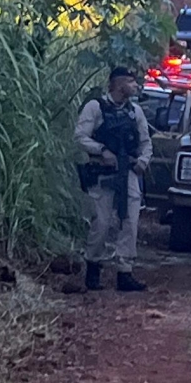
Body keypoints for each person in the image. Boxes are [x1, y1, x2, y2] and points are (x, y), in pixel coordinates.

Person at [74, 67, 153, 292]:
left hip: (127, 172)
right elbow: (80, 136)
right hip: (102, 172)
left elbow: (146, 143)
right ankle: (93, 266)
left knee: (130, 221)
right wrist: (102, 151)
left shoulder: (135, 112)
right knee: (101, 222)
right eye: (131, 82)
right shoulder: (95, 107)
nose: (136, 86)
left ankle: (125, 272)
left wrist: (142, 162)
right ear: (119, 85)